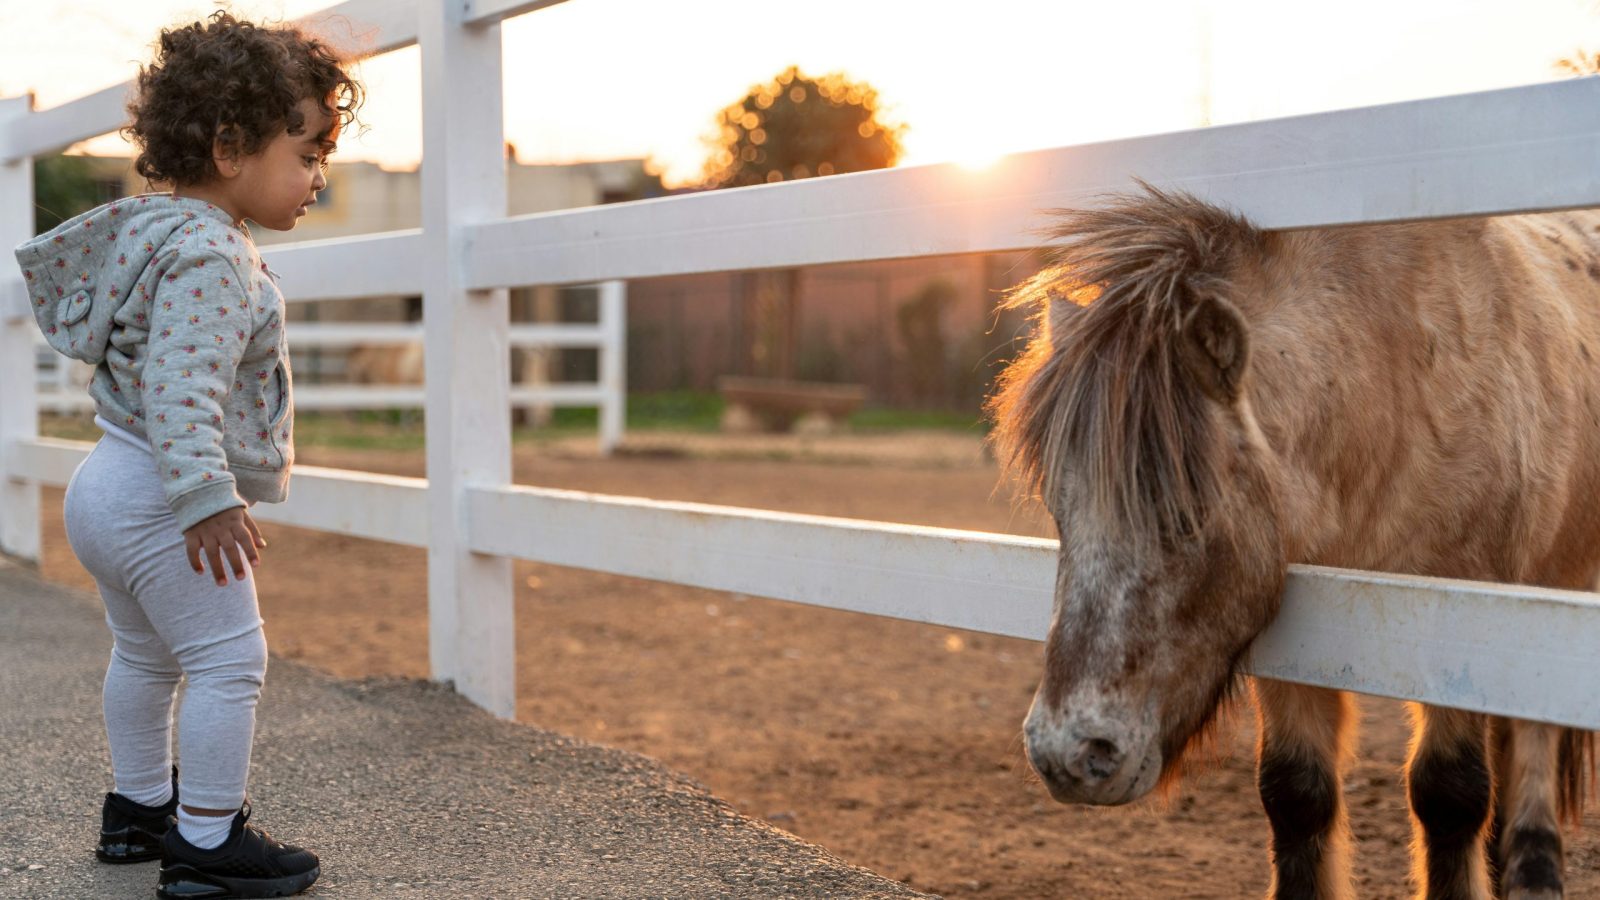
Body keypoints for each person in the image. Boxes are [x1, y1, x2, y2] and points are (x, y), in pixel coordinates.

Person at [13, 12, 361, 899]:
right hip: (162, 495)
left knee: (146, 656)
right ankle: (207, 841)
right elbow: (180, 385)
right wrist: (206, 495)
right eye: (308, 153)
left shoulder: (157, 232)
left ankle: (136, 813)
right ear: (231, 145)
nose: (318, 176)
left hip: (108, 480)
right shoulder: (213, 257)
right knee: (227, 662)